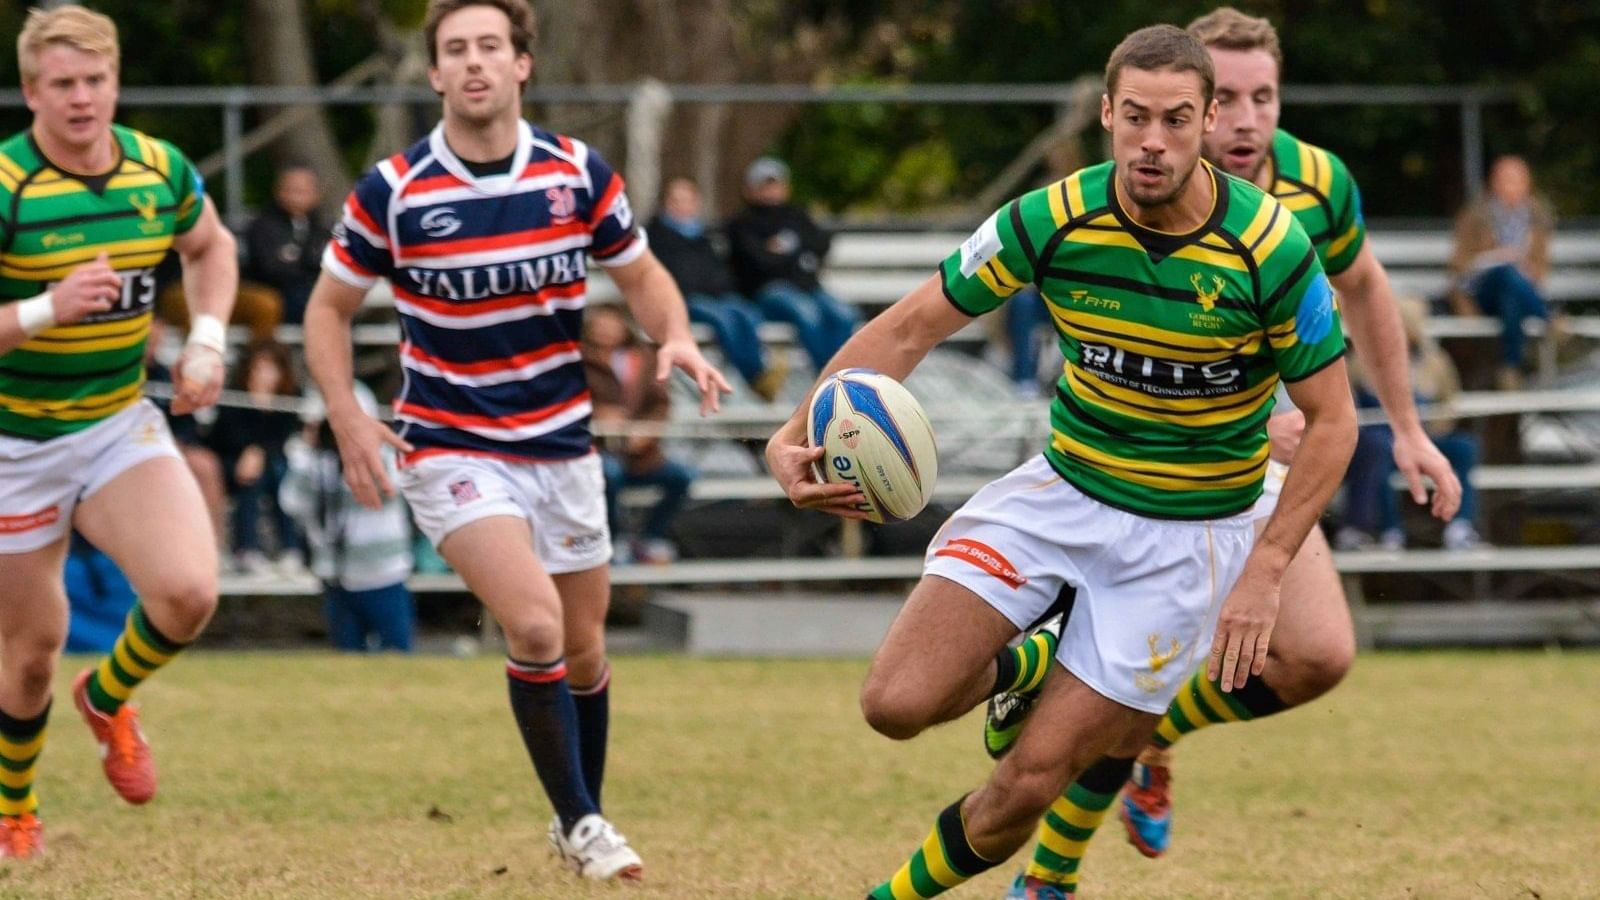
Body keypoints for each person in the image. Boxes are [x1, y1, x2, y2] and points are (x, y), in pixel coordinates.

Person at [766, 25, 1356, 899]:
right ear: (1109, 114)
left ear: (1205, 123)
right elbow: (906, 328)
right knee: (894, 706)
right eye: (1138, 118)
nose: (1154, 142)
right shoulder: (1050, 218)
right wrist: (796, 430)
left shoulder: (1271, 249)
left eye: (1178, 121)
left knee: (1027, 789)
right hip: (1061, 495)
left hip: (1189, 542)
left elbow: (1333, 421)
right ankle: (1031, 662)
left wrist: (1266, 568)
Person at [989, 10, 1462, 896]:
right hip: (1182, 466)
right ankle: (1050, 873)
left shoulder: (1320, 186)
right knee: (1143, 683)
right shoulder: (1146, 191)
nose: (1247, 119)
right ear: (1205, 108)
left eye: (1265, 97)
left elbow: (1364, 288)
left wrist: (1407, 428)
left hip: (1291, 451)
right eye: (1231, 99)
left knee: (1316, 659)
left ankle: (1151, 734)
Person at [302, 0, 728, 883]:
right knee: (533, 625)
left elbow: (644, 277)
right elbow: (328, 308)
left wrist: (673, 334)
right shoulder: (396, 189)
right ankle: (581, 823)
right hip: (450, 444)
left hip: (562, 446)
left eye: (489, 46)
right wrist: (346, 410)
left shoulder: (575, 173)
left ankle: (582, 819)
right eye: (455, 49)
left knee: (585, 649)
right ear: (433, 73)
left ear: (522, 63)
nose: (473, 63)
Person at [0, 6, 236, 859]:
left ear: (115, 84)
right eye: (61, 84)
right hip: (14, 443)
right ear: (31, 91)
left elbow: (211, 250)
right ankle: (15, 811)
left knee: (188, 592)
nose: (81, 99)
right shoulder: (7, 187)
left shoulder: (158, 170)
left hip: (112, 421)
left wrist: (206, 342)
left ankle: (106, 697)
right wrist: (43, 308)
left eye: (95, 81)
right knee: (29, 656)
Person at [1338, 298, 1483, 551]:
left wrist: (1429, 433)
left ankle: (1460, 526)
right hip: (1382, 440)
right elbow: (1349, 407)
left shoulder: (1435, 361)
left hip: (1422, 437)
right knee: (1378, 448)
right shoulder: (1359, 360)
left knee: (1464, 447)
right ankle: (1390, 529)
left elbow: (1450, 402)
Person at [280, 383, 416, 651]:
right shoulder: (314, 462)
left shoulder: (385, 457)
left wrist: (358, 450)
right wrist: (307, 449)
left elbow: (387, 484)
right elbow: (291, 502)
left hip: (383, 575)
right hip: (337, 577)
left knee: (397, 657)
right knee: (347, 662)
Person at [647, 177, 785, 401]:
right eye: (676, 200)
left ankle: (758, 373)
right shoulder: (656, 237)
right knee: (724, 321)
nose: (682, 206)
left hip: (717, 296)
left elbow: (719, 272)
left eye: (688, 200)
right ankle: (754, 377)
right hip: (684, 300)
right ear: (665, 203)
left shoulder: (702, 236)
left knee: (748, 315)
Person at [583, 304, 697, 564]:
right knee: (609, 475)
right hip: (596, 450)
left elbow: (660, 404)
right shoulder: (578, 359)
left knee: (682, 477)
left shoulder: (644, 357)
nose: (606, 331)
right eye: (600, 325)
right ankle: (615, 538)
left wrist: (645, 433)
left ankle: (651, 537)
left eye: (611, 324)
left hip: (640, 453)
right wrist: (598, 414)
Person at [726, 156, 858, 372]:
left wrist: (781, 251)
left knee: (844, 314)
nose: (771, 190)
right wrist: (794, 253)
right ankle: (828, 378)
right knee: (808, 314)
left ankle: (843, 372)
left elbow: (820, 243)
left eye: (775, 184)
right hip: (766, 292)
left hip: (807, 288)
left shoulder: (796, 215)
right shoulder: (742, 223)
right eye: (764, 185)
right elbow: (759, 262)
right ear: (750, 189)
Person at [1448, 154, 1557, 390]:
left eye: (1518, 179)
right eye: (1506, 179)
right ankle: (1549, 317)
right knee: (1506, 274)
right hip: (1482, 293)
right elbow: (1459, 268)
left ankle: (1509, 365)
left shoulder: (1536, 220)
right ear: (1494, 182)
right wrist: (1495, 258)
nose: (1512, 185)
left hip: (1517, 296)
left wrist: (1523, 267)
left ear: (1528, 184)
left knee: (1512, 285)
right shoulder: (1475, 217)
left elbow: (1540, 269)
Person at [208, 339, 303, 575]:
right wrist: (249, 451)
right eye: (259, 368)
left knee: (278, 474)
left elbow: (284, 437)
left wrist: (258, 451)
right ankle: (247, 548)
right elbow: (224, 437)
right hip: (232, 462)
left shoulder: (289, 399)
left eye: (271, 368)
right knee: (253, 478)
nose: (265, 375)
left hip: (271, 464)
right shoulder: (234, 397)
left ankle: (290, 548)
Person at [243, 164, 332, 325]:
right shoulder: (263, 226)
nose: (293, 197)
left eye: (301, 191)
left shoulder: (324, 226)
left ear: (316, 194)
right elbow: (270, 268)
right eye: (288, 190)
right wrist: (308, 264)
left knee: (338, 304)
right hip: (277, 295)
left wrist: (298, 261)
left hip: (315, 292)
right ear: (277, 191)